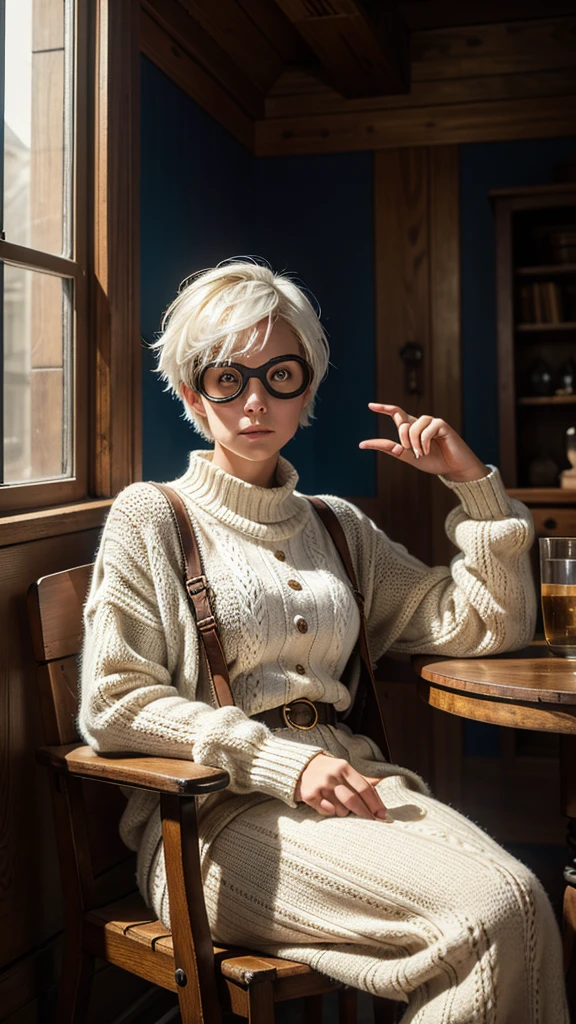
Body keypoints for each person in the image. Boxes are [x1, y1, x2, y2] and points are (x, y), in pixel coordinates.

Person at [79, 259, 568, 1022]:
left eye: (279, 374)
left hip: (359, 791)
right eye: (225, 378)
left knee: (524, 905)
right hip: (219, 823)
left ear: (305, 389)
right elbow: (114, 702)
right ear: (188, 392)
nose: (253, 401)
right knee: (489, 917)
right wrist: (279, 761)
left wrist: (473, 486)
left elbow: (484, 624)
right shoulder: (151, 517)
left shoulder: (336, 526)